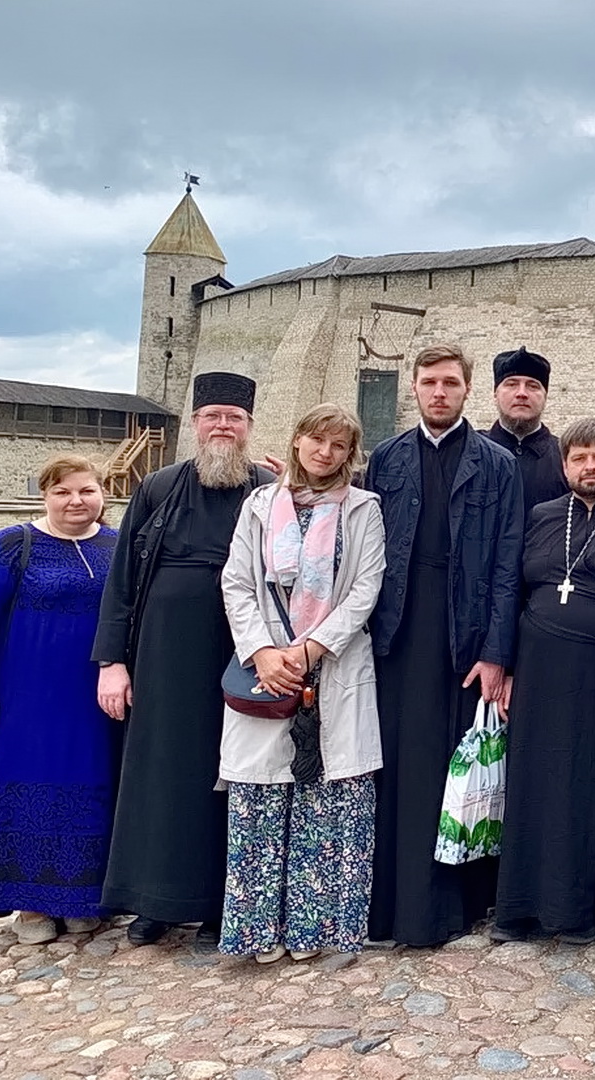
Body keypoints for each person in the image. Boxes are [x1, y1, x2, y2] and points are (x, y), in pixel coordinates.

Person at [94, 372, 275, 946]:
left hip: (243, 649)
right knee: (162, 773)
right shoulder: (159, 486)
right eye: (213, 416)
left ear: (248, 428)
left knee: (235, 775)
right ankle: (156, 901)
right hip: (164, 653)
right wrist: (112, 662)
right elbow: (122, 578)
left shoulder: (268, 489)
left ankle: (224, 903)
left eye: (234, 418)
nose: (223, 426)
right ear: (196, 424)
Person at [364, 344, 524, 947]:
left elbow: (509, 564)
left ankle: (450, 908)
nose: (439, 392)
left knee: (453, 772)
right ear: (414, 387)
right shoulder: (387, 459)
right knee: (398, 766)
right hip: (399, 630)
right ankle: (393, 907)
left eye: (450, 383)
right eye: (429, 382)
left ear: (467, 390)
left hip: (463, 637)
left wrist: (496, 652)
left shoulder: (496, 463)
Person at [217, 404, 385, 964]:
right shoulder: (261, 507)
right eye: (317, 440)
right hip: (266, 662)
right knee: (262, 796)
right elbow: (238, 581)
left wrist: (312, 647)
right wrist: (263, 651)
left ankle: (319, 927)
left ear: (350, 454)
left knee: (329, 798)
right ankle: (258, 932)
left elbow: (365, 588)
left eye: (339, 446)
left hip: (333, 663)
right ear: (296, 442)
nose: (325, 453)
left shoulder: (363, 509)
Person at [491, 419, 595, 944]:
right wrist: (509, 668)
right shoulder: (539, 517)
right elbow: (512, 592)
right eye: (580, 458)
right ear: (564, 466)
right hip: (539, 677)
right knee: (538, 784)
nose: (591, 467)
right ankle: (523, 907)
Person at [0, 455, 121, 943]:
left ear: (102, 495)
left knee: (94, 789)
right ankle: (31, 905)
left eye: (87, 491)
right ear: (44, 495)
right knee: (30, 789)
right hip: (29, 699)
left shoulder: (116, 547)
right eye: (63, 492)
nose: (76, 501)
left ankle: (83, 896)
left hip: (96, 701)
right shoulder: (10, 546)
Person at [485, 346, 567, 518]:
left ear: (545, 396)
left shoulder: (567, 457)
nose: (522, 393)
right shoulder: (469, 451)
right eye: (511, 384)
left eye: (532, 386)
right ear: (495, 394)